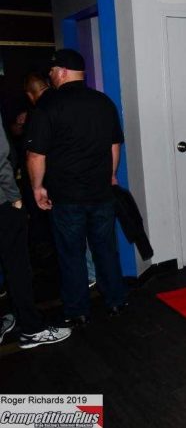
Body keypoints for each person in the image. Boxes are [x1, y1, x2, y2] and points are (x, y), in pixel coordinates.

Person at [25, 49, 128, 326]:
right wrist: (110, 175)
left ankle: (78, 310)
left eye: (51, 72)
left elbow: (36, 155)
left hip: (67, 195)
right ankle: (116, 300)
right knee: (105, 249)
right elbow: (114, 145)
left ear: (61, 72)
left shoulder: (48, 105)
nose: (50, 76)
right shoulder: (103, 102)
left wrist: (37, 188)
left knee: (71, 254)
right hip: (101, 192)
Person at [0, 111, 72, 348]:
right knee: (17, 265)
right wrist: (15, 197)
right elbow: (0, 157)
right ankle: (32, 329)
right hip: (3, 202)